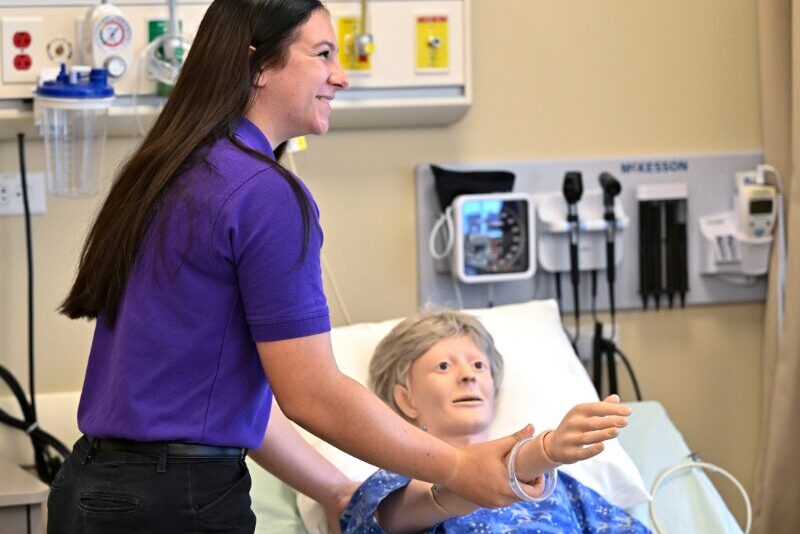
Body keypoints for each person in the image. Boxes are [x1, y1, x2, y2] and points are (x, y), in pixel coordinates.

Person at [46, 1, 537, 532]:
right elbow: (312, 395)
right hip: (176, 505)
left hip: (90, 489)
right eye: (323, 53)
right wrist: (461, 466)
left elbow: (219, 403)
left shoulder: (165, 173)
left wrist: (336, 491)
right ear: (257, 65)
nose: (340, 77)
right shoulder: (264, 195)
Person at [341, 310, 650, 533]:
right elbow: (406, 513)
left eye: (478, 364)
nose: (468, 375)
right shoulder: (392, 482)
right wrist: (543, 452)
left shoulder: (559, 488)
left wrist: (542, 460)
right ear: (406, 399)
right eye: (444, 366)